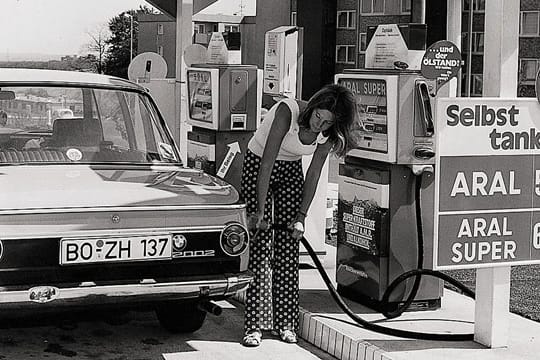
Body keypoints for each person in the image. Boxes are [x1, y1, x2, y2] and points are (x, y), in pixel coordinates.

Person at [240, 84, 357, 347]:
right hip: (259, 164)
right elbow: (267, 161)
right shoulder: (287, 111)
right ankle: (255, 326)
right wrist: (260, 211)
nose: (319, 125)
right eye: (318, 117)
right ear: (313, 106)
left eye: (327, 122)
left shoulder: (328, 136)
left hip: (291, 169)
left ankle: (286, 324)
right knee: (260, 244)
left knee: (288, 244)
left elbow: (313, 173)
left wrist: (301, 216)